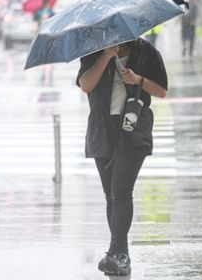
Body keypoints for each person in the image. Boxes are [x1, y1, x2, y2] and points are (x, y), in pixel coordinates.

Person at [76, 38, 168, 276]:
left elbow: (161, 91)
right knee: (111, 195)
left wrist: (137, 79)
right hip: (102, 128)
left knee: (121, 190)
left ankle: (114, 252)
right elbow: (86, 85)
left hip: (134, 127)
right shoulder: (93, 51)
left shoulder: (146, 52)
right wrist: (106, 55)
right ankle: (121, 254)